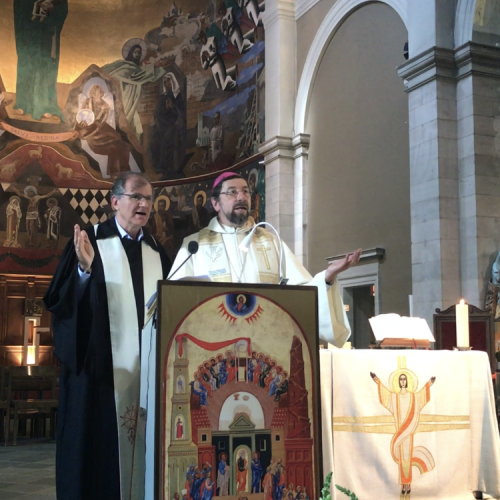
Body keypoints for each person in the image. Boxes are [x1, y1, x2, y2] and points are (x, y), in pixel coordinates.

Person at [43, 172, 171, 500]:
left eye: (148, 199)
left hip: (147, 381)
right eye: (135, 197)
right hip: (99, 382)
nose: (143, 204)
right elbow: (61, 302)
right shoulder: (90, 240)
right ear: (115, 202)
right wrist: (85, 271)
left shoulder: (159, 253)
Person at [169, 172, 360, 346]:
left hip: (265, 345)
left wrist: (326, 277)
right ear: (216, 203)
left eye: (245, 192)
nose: (241, 197)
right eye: (232, 192)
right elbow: (174, 300)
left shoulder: (271, 241)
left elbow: (301, 293)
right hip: (212, 344)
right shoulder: (195, 245)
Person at [370, 364, 436, 498]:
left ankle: (409, 484)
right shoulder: (395, 397)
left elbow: (421, 395)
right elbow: (386, 395)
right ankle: (404, 485)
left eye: (404, 379)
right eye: (400, 380)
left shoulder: (413, 396)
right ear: (398, 382)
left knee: (407, 458)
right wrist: (377, 380)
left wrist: (429, 384)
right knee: (402, 458)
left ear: (407, 381)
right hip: (400, 431)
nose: (402, 382)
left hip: (409, 431)